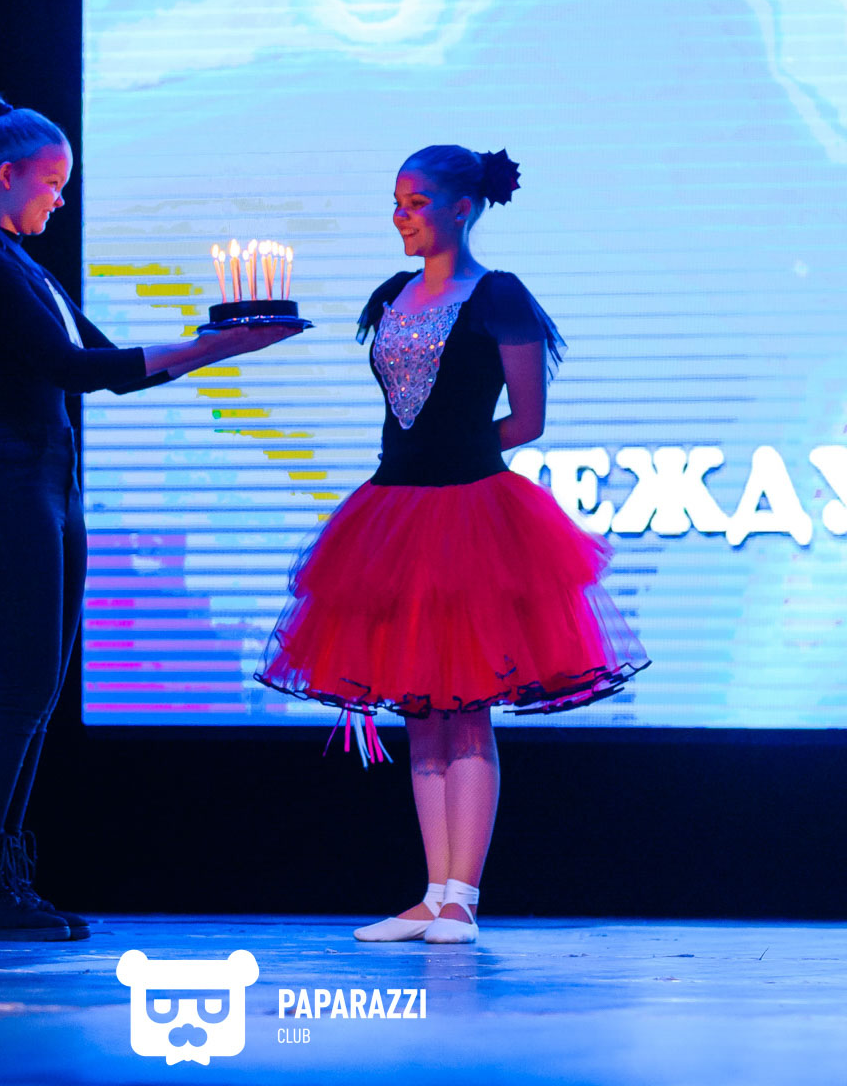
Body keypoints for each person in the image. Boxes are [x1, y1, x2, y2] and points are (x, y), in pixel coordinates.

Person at [256, 145, 647, 944]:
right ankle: (433, 894)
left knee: (466, 708)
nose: (400, 217)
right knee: (420, 711)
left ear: (462, 207)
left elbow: (528, 421)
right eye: (396, 202)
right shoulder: (390, 295)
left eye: (416, 202)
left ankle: (463, 896)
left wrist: (458, 452)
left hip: (472, 514)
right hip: (391, 513)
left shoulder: (499, 296)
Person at [0, 96, 296, 942]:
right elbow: (74, 368)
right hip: (5, 484)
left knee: (37, 696)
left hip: (47, 486)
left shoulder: (25, 267)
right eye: (51, 183)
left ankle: (2, 885)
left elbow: (109, 365)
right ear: (6, 175)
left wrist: (220, 345)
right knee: (19, 694)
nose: (60, 199)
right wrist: (212, 347)